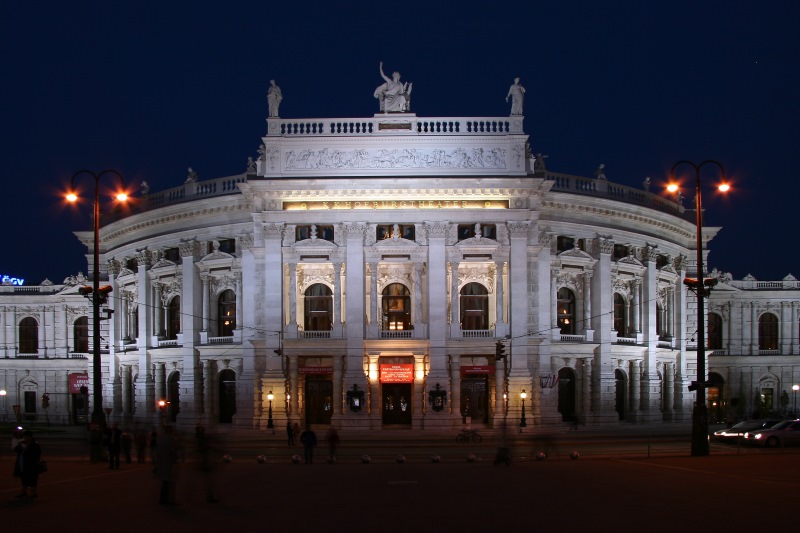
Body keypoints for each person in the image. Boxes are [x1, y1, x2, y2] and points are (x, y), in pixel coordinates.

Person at [13, 430, 42, 499]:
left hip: (31, 465)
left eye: (26, 437)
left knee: (32, 479)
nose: (25, 438)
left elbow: (36, 454)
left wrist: (27, 449)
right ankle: (23, 492)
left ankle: (33, 493)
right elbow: (16, 450)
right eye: (24, 437)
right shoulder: (22, 443)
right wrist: (20, 445)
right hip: (22, 463)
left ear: (30, 437)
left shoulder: (35, 444)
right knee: (23, 478)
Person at [155, 425, 179, 505]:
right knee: (170, 483)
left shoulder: (161, 439)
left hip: (162, 463)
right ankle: (169, 500)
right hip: (169, 463)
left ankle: (163, 499)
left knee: (165, 482)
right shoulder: (171, 439)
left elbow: (157, 452)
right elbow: (173, 452)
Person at [195, 425, 218, 503]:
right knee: (208, 481)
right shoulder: (201, 440)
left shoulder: (200, 439)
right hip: (204, 462)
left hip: (204, 462)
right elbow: (205, 448)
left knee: (207, 481)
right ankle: (209, 496)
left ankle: (209, 496)